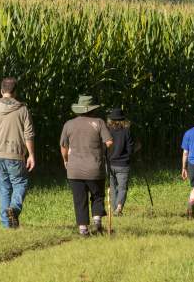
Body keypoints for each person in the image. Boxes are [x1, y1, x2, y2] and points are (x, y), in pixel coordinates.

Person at [0, 77, 36, 229]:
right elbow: (28, 134)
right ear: (15, 92)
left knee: (3, 189)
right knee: (20, 183)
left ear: (1, 91)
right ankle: (14, 209)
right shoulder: (23, 109)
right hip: (15, 154)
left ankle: (6, 225)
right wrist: (31, 155)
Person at [60, 95, 114, 236]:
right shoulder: (99, 122)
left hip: (74, 169)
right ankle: (97, 221)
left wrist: (66, 160)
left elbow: (64, 146)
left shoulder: (69, 124)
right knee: (97, 195)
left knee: (79, 199)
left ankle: (83, 230)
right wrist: (103, 152)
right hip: (95, 168)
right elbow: (109, 142)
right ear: (92, 109)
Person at [106, 107, 140, 216]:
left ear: (111, 120)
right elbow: (130, 149)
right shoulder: (127, 131)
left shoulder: (107, 131)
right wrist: (133, 151)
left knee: (112, 187)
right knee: (122, 187)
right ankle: (119, 208)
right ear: (123, 120)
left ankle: (115, 209)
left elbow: (104, 147)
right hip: (123, 164)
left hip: (110, 163)